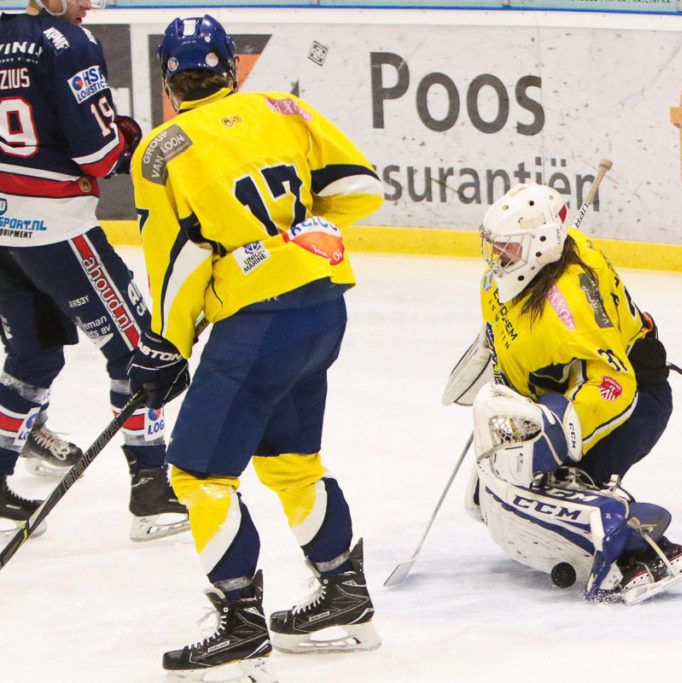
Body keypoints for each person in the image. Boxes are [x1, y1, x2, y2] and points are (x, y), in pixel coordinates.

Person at [128, 15, 384, 681]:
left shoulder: (162, 148)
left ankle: (241, 626)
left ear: (167, 78)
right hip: (323, 308)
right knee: (292, 461)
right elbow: (362, 187)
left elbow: (178, 262)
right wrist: (303, 230)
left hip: (258, 326)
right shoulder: (285, 106)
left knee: (198, 475)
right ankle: (346, 600)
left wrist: (165, 343)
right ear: (232, 66)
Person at [445, 181, 682, 604]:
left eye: (507, 247)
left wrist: (554, 435)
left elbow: (614, 383)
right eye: (494, 244)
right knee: (503, 485)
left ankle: (642, 550)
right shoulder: (514, 274)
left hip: (630, 402)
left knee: (559, 484)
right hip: (566, 388)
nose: (496, 255)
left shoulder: (567, 307)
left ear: (540, 245)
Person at [0, 0, 187, 541]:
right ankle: (152, 495)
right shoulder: (68, 43)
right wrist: (126, 141)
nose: (87, 4)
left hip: (3, 236)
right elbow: (100, 155)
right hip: (56, 229)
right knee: (138, 352)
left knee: (31, 356)